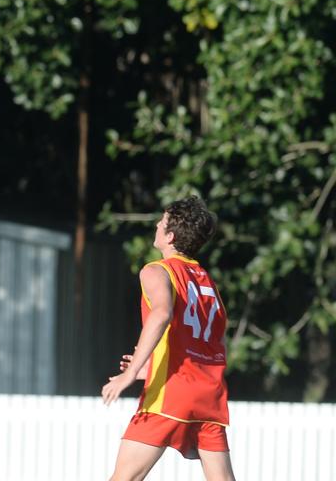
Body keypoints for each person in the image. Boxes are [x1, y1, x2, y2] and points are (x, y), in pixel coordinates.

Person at [101, 196, 235, 481]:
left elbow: (161, 314)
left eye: (161, 223)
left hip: (171, 395)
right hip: (209, 396)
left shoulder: (156, 270)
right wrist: (153, 368)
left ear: (170, 235)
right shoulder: (207, 282)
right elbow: (206, 345)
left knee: (124, 478)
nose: (157, 226)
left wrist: (132, 373)